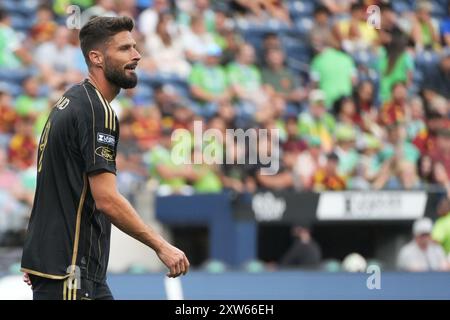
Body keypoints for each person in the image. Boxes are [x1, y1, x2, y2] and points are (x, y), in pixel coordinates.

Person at [20, 16, 189, 300]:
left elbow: (54, 182)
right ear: (96, 57)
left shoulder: (71, 100)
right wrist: (161, 245)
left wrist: (41, 251)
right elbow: (107, 199)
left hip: (68, 269)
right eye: (124, 49)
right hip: (72, 270)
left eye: (135, 47)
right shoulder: (97, 112)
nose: (136, 55)